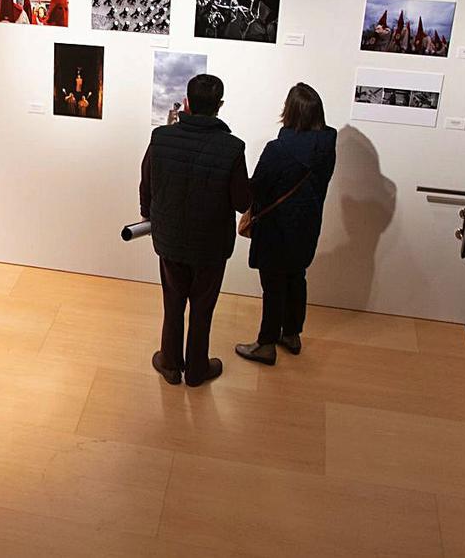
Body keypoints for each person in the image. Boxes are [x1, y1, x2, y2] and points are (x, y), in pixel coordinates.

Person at [139, 74, 251, 387]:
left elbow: (147, 181)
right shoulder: (232, 148)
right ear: (220, 105)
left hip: (170, 238)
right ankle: (197, 370)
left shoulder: (161, 138)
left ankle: (171, 364)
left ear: (187, 102)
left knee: (173, 301)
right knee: (203, 307)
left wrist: (149, 215)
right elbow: (242, 201)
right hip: (211, 245)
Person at [235, 83, 337, 365]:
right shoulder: (327, 145)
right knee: (296, 277)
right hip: (307, 225)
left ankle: (265, 344)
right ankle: (291, 334)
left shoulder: (278, 150)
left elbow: (256, 188)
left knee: (273, 285)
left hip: (276, 228)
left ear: (289, 111)